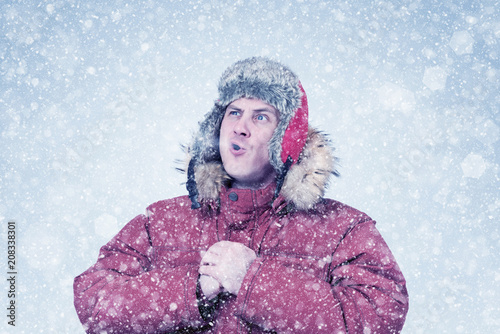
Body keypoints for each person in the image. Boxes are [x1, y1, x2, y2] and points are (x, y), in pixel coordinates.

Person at [74, 57, 409, 333]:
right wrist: (192, 289)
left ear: (286, 138)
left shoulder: (343, 230)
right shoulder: (161, 222)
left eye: (260, 117)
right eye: (234, 112)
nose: (240, 127)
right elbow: (96, 302)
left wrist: (254, 280)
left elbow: (378, 319)